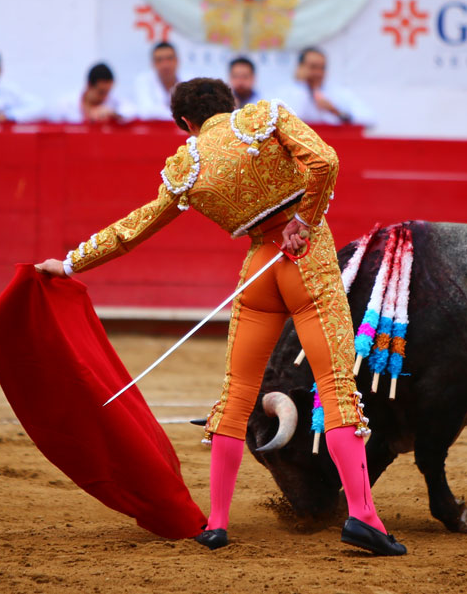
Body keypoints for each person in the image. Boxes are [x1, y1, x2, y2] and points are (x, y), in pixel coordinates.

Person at [34, 78, 406, 556]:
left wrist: (69, 264)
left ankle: (217, 523)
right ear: (231, 104)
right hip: (305, 256)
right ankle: (363, 517)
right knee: (335, 387)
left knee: (235, 396)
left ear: (185, 123)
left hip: (258, 270)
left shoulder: (188, 164)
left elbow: (135, 227)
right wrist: (304, 220)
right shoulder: (262, 117)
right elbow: (326, 161)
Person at [276, 47, 374, 126]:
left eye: (322, 68)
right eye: (313, 67)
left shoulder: (337, 92)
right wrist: (302, 86)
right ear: (300, 68)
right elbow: (288, 122)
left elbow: (370, 119)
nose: (318, 73)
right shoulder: (285, 93)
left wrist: (336, 111)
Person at [51, 63, 133, 123]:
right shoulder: (66, 104)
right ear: (89, 85)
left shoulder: (114, 102)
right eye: (101, 92)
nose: (105, 97)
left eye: (108, 92)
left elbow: (132, 112)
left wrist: (113, 113)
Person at [133, 42, 184, 120]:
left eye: (169, 58)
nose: (165, 65)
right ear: (152, 64)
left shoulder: (189, 80)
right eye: (159, 60)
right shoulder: (143, 81)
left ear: (177, 61)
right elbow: (147, 111)